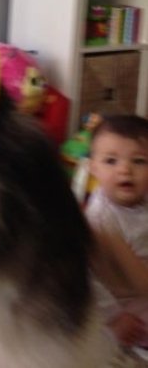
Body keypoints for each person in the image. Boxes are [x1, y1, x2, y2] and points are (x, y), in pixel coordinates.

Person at [86, 115, 148, 361]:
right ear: (93, 168)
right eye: (111, 161)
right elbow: (87, 279)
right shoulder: (99, 221)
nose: (125, 170)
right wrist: (114, 318)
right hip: (121, 302)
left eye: (139, 161)